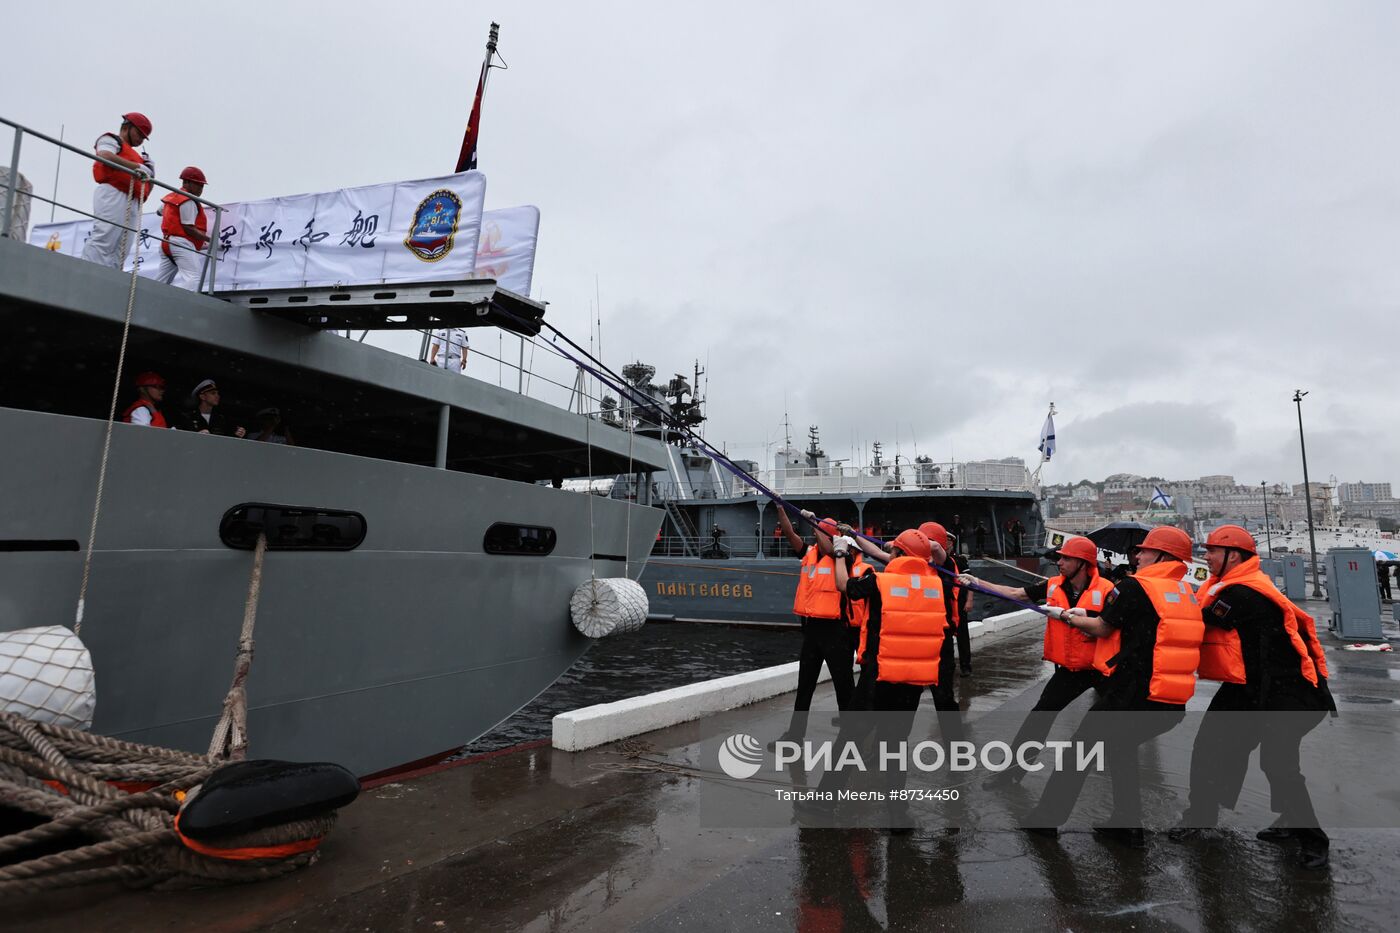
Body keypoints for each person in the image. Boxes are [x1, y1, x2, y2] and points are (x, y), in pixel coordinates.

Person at [1022, 525, 1204, 847]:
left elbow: (1103, 627)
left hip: (1129, 696)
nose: (1138, 554)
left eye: (1145, 551)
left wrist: (1067, 616)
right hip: (1169, 701)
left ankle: (1046, 819)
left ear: (1162, 556)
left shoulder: (1136, 587)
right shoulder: (1184, 592)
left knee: (1080, 751)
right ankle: (1127, 825)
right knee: (1120, 750)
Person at [1170, 525, 1334, 869]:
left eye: (1213, 550)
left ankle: (1312, 840)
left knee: (1278, 764)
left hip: (1290, 691)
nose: (1208, 556)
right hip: (1251, 686)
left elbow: (1196, 621)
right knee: (1209, 747)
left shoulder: (1242, 593)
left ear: (1234, 556)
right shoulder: (1234, 587)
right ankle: (1201, 814)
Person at [960, 535, 1115, 788]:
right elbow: (1015, 593)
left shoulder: (1108, 590)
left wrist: (1089, 617)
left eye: (1066, 558)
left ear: (1083, 563)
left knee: (1114, 727)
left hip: (1102, 669)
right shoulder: (1053, 585)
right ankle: (1010, 774)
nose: (1060, 562)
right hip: (1070, 670)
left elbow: (1116, 623)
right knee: (1038, 718)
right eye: (1060, 558)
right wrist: (977, 581)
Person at [826, 528, 945, 827]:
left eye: (893, 551)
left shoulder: (879, 582)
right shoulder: (936, 584)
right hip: (913, 680)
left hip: (878, 675)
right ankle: (897, 814)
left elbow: (844, 585)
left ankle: (823, 800)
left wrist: (840, 553)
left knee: (849, 739)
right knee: (895, 745)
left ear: (899, 555)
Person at [772, 507, 862, 742]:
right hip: (812, 630)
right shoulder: (809, 553)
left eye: (819, 532)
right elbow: (791, 535)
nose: (814, 536)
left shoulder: (842, 555)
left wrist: (814, 523)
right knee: (804, 687)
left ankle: (852, 738)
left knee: (844, 687)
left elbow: (829, 547)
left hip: (836, 631)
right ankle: (795, 736)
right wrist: (780, 509)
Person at [81, 113, 154, 269]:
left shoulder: (139, 159)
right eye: (139, 134)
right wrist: (138, 167)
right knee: (105, 235)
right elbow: (104, 155)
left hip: (132, 200)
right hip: (113, 192)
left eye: (144, 137)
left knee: (123, 247)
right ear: (127, 127)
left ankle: (111, 276)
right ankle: (89, 269)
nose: (140, 140)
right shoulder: (111, 140)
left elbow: (146, 190)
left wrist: (151, 171)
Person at [152, 167, 211, 290]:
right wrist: (209, 240)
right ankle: (187, 306)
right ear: (186, 182)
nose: (201, 189)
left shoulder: (172, 196)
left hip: (167, 243)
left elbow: (159, 211)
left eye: (202, 186)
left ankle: (149, 299)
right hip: (180, 243)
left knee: (162, 280)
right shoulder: (188, 200)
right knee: (194, 277)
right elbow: (188, 228)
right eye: (198, 185)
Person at [178, 379, 245, 437]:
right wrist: (196, 436)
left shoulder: (221, 419)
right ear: (202, 397)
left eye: (217, 393)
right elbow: (180, 439)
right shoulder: (188, 417)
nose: (217, 396)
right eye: (213, 393)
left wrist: (237, 434)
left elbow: (226, 442)